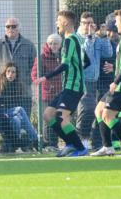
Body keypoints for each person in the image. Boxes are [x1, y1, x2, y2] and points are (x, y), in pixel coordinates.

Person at [34, 10, 90, 157]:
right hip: (68, 86)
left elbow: (65, 64)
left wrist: (45, 77)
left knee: (61, 118)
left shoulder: (69, 40)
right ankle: (70, 144)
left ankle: (80, 148)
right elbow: (87, 61)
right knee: (48, 115)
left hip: (73, 87)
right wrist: (77, 70)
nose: (56, 23)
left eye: (58, 20)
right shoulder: (77, 39)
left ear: (65, 22)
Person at [91, 9, 121, 157]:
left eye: (117, 22)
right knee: (99, 110)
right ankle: (108, 146)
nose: (115, 25)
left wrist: (116, 81)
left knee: (107, 115)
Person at [77, 12, 113, 147]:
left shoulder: (98, 38)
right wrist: (90, 37)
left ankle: (92, 140)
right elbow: (85, 54)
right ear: (80, 24)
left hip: (95, 80)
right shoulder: (77, 38)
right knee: (86, 109)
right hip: (81, 80)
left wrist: (103, 37)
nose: (88, 26)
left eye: (91, 23)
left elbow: (108, 53)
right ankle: (81, 138)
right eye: (85, 23)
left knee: (96, 110)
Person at [0, 18, 36, 116]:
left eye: (14, 26)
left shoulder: (28, 45)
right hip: (3, 93)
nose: (11, 28)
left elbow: (34, 66)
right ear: (5, 28)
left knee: (24, 120)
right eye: (8, 26)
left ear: (19, 28)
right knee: (7, 122)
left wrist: (27, 80)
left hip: (23, 92)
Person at [0, 63, 38, 151]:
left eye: (13, 72)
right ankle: (36, 140)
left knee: (17, 120)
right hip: (0, 113)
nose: (10, 74)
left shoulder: (18, 85)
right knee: (20, 109)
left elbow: (17, 103)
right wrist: (2, 111)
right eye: (8, 71)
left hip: (12, 113)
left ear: (16, 74)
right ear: (5, 72)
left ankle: (11, 145)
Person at [31, 33, 62, 150]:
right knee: (47, 119)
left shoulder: (62, 57)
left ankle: (54, 143)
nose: (53, 46)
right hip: (45, 94)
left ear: (59, 45)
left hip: (59, 92)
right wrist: (39, 81)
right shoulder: (41, 58)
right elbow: (34, 75)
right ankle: (48, 143)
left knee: (57, 119)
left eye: (55, 44)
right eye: (51, 43)